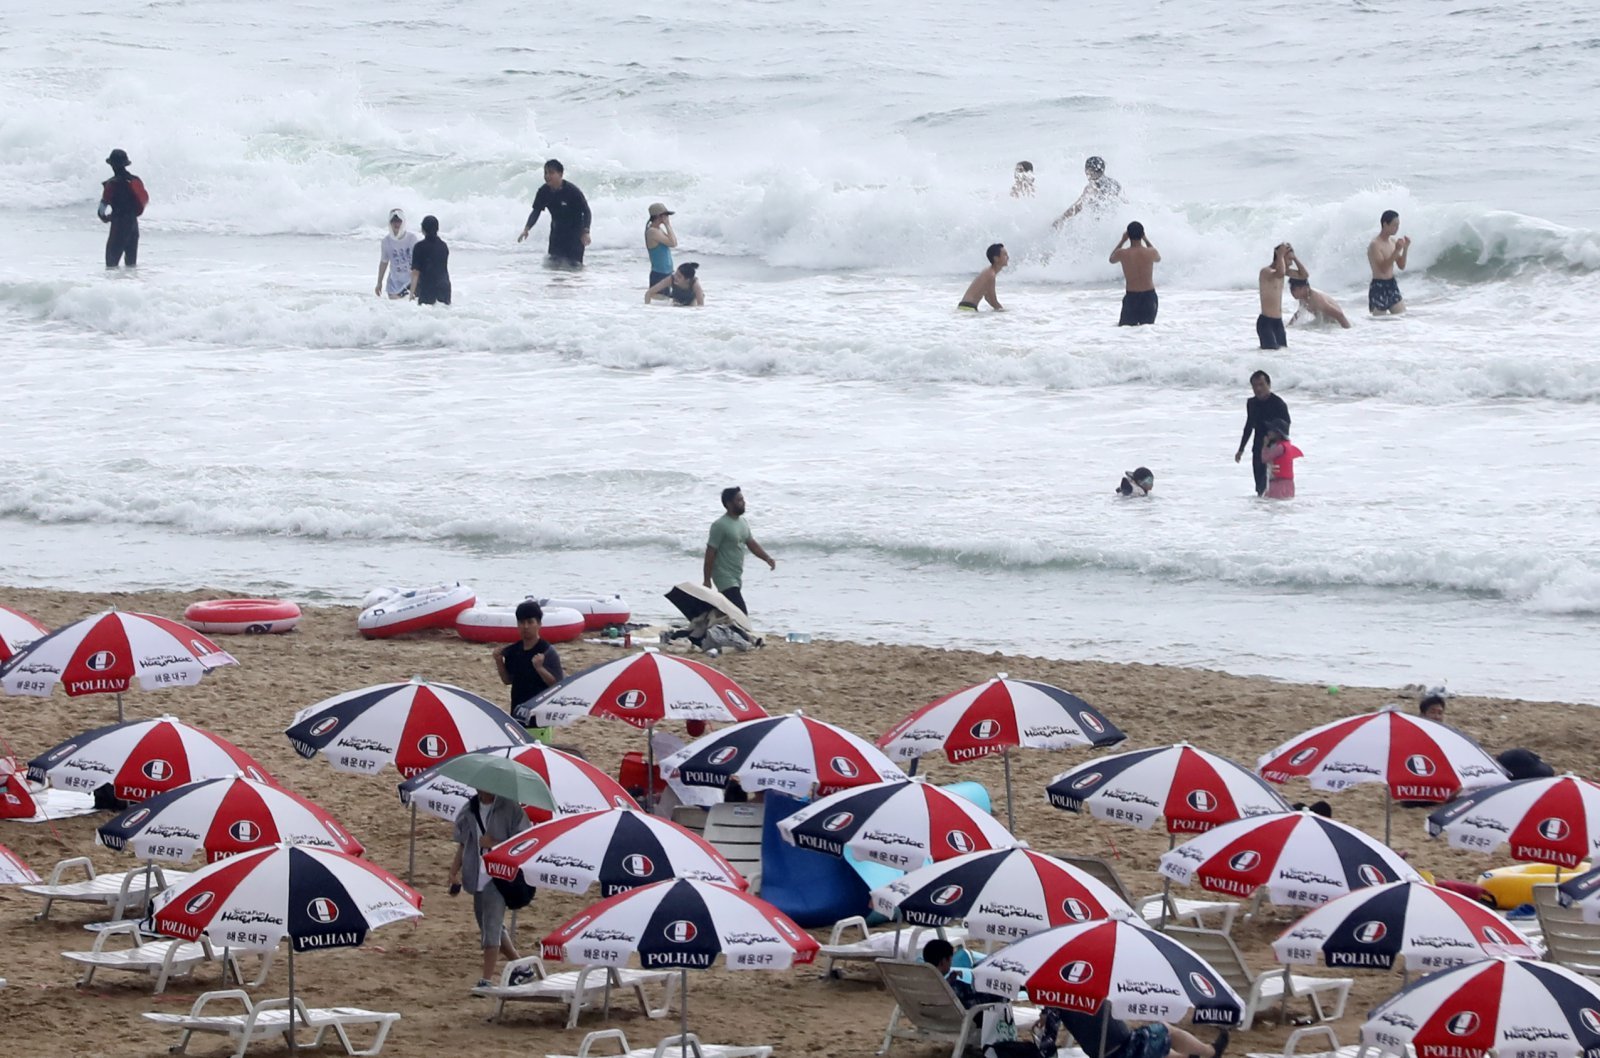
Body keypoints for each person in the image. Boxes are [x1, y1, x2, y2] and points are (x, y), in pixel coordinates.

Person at [449, 787, 531, 988]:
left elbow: (525, 841)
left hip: (500, 876)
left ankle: (486, 979)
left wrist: (494, 843)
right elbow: (463, 843)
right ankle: (522, 968)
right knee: (487, 926)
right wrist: (453, 872)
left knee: (492, 927)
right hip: (476, 875)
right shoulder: (469, 808)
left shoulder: (510, 808)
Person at [923, 939, 1061, 1058]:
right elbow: (967, 1000)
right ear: (943, 961)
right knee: (1001, 990)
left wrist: (953, 980)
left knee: (988, 985)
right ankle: (1032, 989)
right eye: (950, 959)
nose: (951, 963)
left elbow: (949, 997)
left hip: (936, 1017)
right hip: (969, 1015)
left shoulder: (924, 980)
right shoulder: (949, 986)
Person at [1056, 1001, 1229, 1058]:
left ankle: (1188, 1056)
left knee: (1152, 1043)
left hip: (1104, 1052)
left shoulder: (1054, 998)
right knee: (1164, 1029)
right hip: (1124, 1048)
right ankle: (1211, 1051)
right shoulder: (1093, 984)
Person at [703, 486, 776, 617]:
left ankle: (708, 628)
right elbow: (710, 552)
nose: (744, 502)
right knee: (741, 613)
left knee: (728, 613)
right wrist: (707, 579)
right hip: (723, 576)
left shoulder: (742, 522)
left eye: (743, 499)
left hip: (736, 575)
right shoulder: (719, 525)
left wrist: (767, 558)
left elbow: (751, 543)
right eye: (739, 500)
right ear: (729, 504)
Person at [498, 600, 564, 721]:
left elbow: (557, 685)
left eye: (530, 622)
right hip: (518, 713)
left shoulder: (547, 651)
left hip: (540, 718)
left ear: (539, 624)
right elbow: (507, 680)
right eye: (522, 622)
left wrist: (540, 669)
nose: (526, 626)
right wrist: (499, 661)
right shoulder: (513, 650)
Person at [518, 159, 592, 267]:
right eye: (545, 173)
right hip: (556, 235)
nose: (547, 176)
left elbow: (586, 211)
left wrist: (586, 232)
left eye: (551, 173)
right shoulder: (543, 192)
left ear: (560, 174)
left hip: (575, 236)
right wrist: (527, 229)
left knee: (574, 270)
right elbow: (536, 211)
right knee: (553, 268)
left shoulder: (572, 191)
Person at [1234, 370, 1291, 496]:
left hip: (1276, 450)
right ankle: (1260, 512)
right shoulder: (1252, 403)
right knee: (1260, 487)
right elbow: (1249, 426)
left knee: (1273, 487)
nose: (1258, 389)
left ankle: (1273, 511)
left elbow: (1286, 427)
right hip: (1258, 448)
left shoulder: (1278, 403)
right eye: (1254, 386)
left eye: (1261, 384)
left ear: (1269, 385)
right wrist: (1241, 449)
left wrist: (1278, 445)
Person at [98, 148, 148, 269]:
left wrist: (106, 218)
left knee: (111, 265)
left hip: (119, 225)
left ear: (112, 165)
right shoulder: (135, 180)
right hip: (133, 225)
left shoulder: (112, 184)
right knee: (131, 266)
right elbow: (143, 200)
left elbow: (101, 211)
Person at [1111, 222, 1160, 326]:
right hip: (1149, 296)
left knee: (1126, 332)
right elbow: (1158, 258)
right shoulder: (1151, 252)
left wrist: (1122, 240)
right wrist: (1146, 239)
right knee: (1147, 331)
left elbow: (1111, 259)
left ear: (1128, 235)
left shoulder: (1122, 253)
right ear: (1142, 234)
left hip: (1132, 297)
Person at [1053, 156, 1123, 227]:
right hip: (1114, 222)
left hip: (1099, 224)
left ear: (1088, 171)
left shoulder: (1092, 187)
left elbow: (1077, 207)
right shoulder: (1115, 184)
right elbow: (1124, 204)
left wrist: (1062, 219)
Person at [1367, 210, 1410, 315]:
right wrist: (1396, 250)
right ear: (1385, 224)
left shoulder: (1392, 242)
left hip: (1391, 285)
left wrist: (1405, 249)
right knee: (1380, 323)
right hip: (1379, 286)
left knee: (1402, 316)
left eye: (1398, 225)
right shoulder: (1375, 244)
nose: (1397, 228)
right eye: (1394, 225)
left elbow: (1401, 266)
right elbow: (1383, 268)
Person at [375, 208, 418, 299]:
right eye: (393, 221)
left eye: (399, 221)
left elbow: (419, 261)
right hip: (395, 283)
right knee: (396, 307)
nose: (396, 224)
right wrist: (379, 282)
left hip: (411, 281)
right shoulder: (386, 241)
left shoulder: (412, 238)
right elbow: (384, 262)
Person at [408, 215, 451, 306]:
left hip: (427, 288)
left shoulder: (419, 247)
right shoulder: (443, 246)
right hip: (444, 287)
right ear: (437, 229)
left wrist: (411, 293)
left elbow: (415, 272)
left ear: (423, 229)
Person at [1257, 243, 1290, 350]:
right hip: (1266, 322)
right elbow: (1280, 273)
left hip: (1278, 322)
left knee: (1283, 354)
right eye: (1289, 259)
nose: (1291, 262)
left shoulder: (1283, 272)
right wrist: (1280, 255)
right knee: (1270, 353)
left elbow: (1304, 275)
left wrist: (1295, 258)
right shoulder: (1266, 271)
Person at [959, 244, 1008, 311]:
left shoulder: (989, 272)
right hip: (968, 308)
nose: (1008, 257)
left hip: (965, 307)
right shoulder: (991, 274)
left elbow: (988, 297)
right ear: (996, 258)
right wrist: (1003, 311)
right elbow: (993, 300)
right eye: (1005, 255)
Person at [1261, 420, 1302, 500]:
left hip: (1278, 484)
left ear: (1278, 433)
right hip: (1289, 484)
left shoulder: (1279, 448)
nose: (1268, 432)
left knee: (1274, 508)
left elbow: (1264, 459)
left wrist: (1265, 446)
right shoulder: (1288, 446)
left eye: (1271, 430)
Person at [645, 202, 677, 287]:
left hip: (667, 273)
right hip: (659, 274)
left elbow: (674, 241)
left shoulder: (658, 229)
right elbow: (672, 243)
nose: (667, 217)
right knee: (660, 300)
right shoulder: (652, 231)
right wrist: (667, 225)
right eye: (666, 215)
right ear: (659, 216)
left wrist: (667, 225)